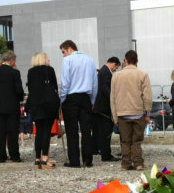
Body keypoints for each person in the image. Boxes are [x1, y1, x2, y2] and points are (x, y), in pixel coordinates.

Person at [110, 50, 152, 171]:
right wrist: (147, 113)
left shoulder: (116, 76)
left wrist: (115, 116)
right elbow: (147, 96)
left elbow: (112, 98)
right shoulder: (143, 75)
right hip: (138, 112)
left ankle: (126, 164)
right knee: (136, 140)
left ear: (126, 61)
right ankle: (138, 163)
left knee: (125, 141)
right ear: (137, 61)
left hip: (122, 113)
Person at [59, 40, 98, 168]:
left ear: (69, 49)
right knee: (86, 130)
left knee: (72, 131)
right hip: (86, 98)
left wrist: (62, 99)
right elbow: (94, 83)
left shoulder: (67, 60)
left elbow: (65, 83)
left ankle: (75, 161)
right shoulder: (90, 60)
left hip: (71, 98)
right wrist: (92, 100)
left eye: (63, 52)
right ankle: (88, 160)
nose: (63, 55)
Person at [0, 51, 24, 163]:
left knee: (1, 132)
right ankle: (14, 155)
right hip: (12, 106)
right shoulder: (14, 73)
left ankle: (1, 156)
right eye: (15, 61)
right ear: (12, 60)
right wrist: (20, 98)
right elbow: (19, 90)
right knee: (12, 132)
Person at [26, 52, 60, 169]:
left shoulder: (31, 72)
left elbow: (31, 89)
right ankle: (45, 158)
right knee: (46, 131)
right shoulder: (49, 70)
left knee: (39, 132)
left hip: (35, 105)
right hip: (48, 104)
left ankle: (37, 159)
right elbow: (55, 87)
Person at [93, 57, 121, 162]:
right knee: (106, 132)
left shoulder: (102, 70)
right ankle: (106, 155)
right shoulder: (106, 72)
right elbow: (105, 88)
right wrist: (113, 98)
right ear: (114, 64)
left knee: (101, 132)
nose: (115, 70)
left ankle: (103, 152)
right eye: (116, 68)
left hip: (100, 107)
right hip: (104, 107)